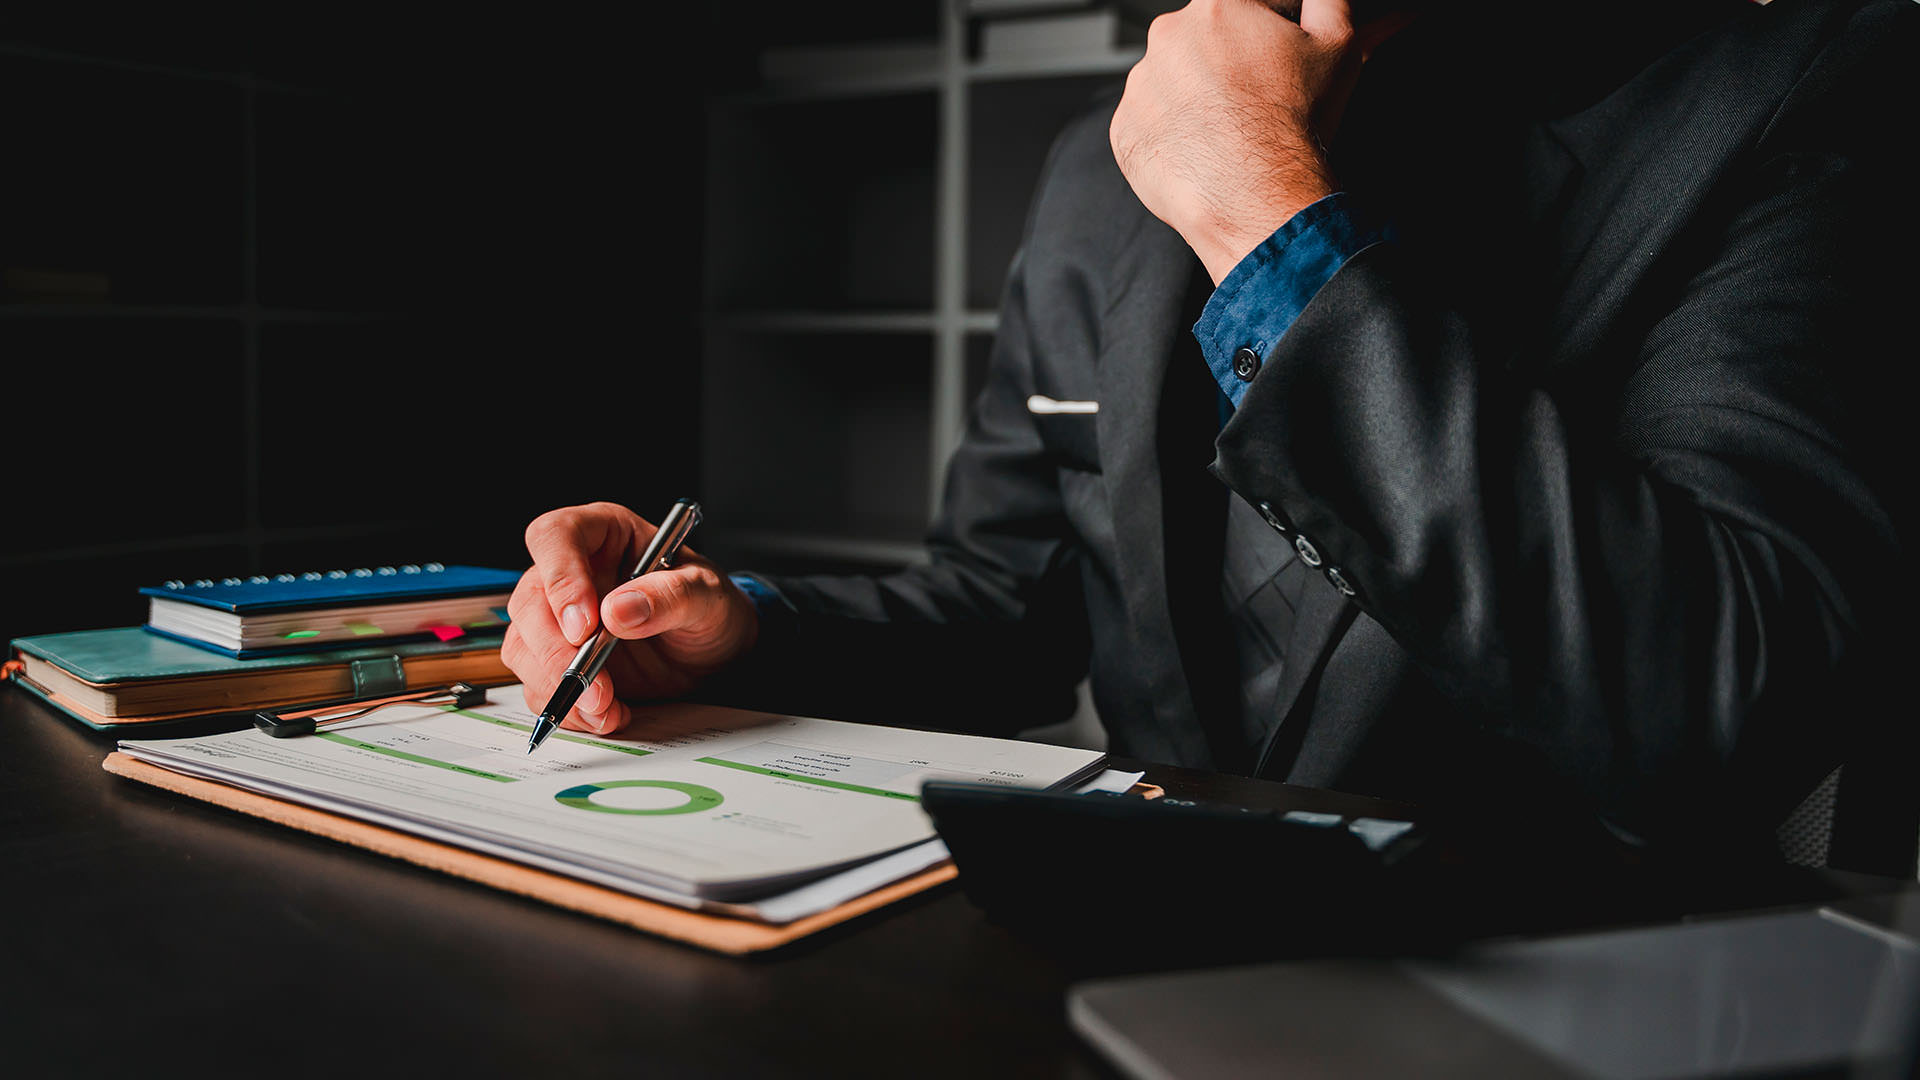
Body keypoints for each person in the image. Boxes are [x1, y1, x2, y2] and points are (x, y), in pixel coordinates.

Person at [504, 0, 1917, 871]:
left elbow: (1727, 706)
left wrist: (1263, 218)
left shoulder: (1798, 92)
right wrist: (739, 626)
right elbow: (1007, 610)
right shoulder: (1094, 167)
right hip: (1133, 978)